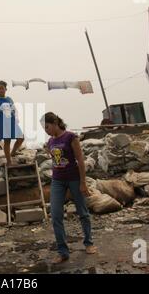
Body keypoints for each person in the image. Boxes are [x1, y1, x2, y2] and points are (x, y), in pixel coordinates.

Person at [41, 112, 98, 264]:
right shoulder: (50, 142)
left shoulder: (70, 137)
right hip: (57, 181)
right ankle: (63, 252)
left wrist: (83, 182)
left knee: (83, 213)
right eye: (44, 128)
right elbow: (54, 161)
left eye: (47, 127)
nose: (46, 130)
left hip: (74, 179)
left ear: (54, 123)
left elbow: (80, 159)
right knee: (56, 215)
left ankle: (89, 243)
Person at [0, 81, 24, 166]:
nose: (1, 90)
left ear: (6, 89)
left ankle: (13, 152)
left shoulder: (9, 99)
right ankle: (9, 161)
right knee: (7, 141)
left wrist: (17, 118)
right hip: (3, 123)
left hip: (12, 121)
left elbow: (14, 109)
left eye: (2, 88)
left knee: (21, 138)